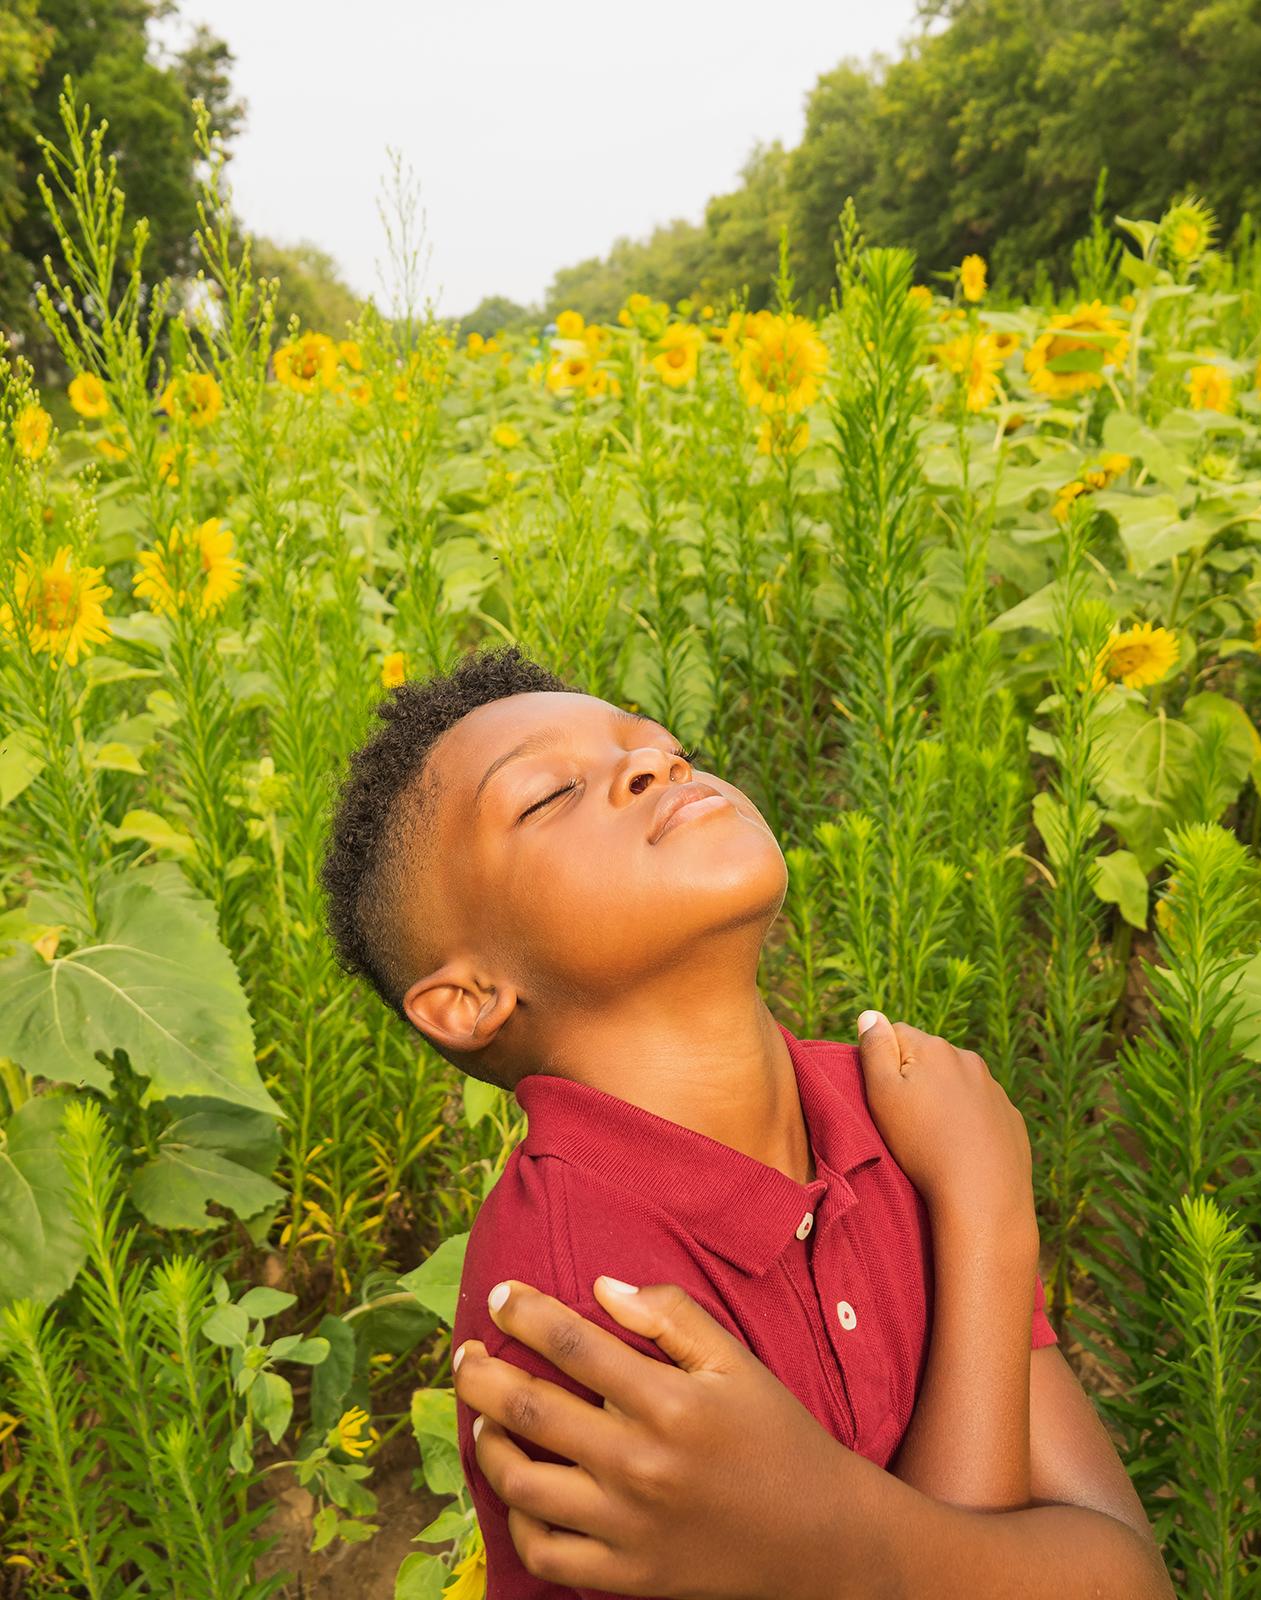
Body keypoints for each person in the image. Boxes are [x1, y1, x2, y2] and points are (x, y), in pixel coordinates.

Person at [319, 643, 1172, 1599]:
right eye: (550, 795)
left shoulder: (901, 1118)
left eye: (657, 743)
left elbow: (1128, 1575)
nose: (656, 763)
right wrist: (837, 1540)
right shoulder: (578, 1299)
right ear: (469, 997)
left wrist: (984, 1217)